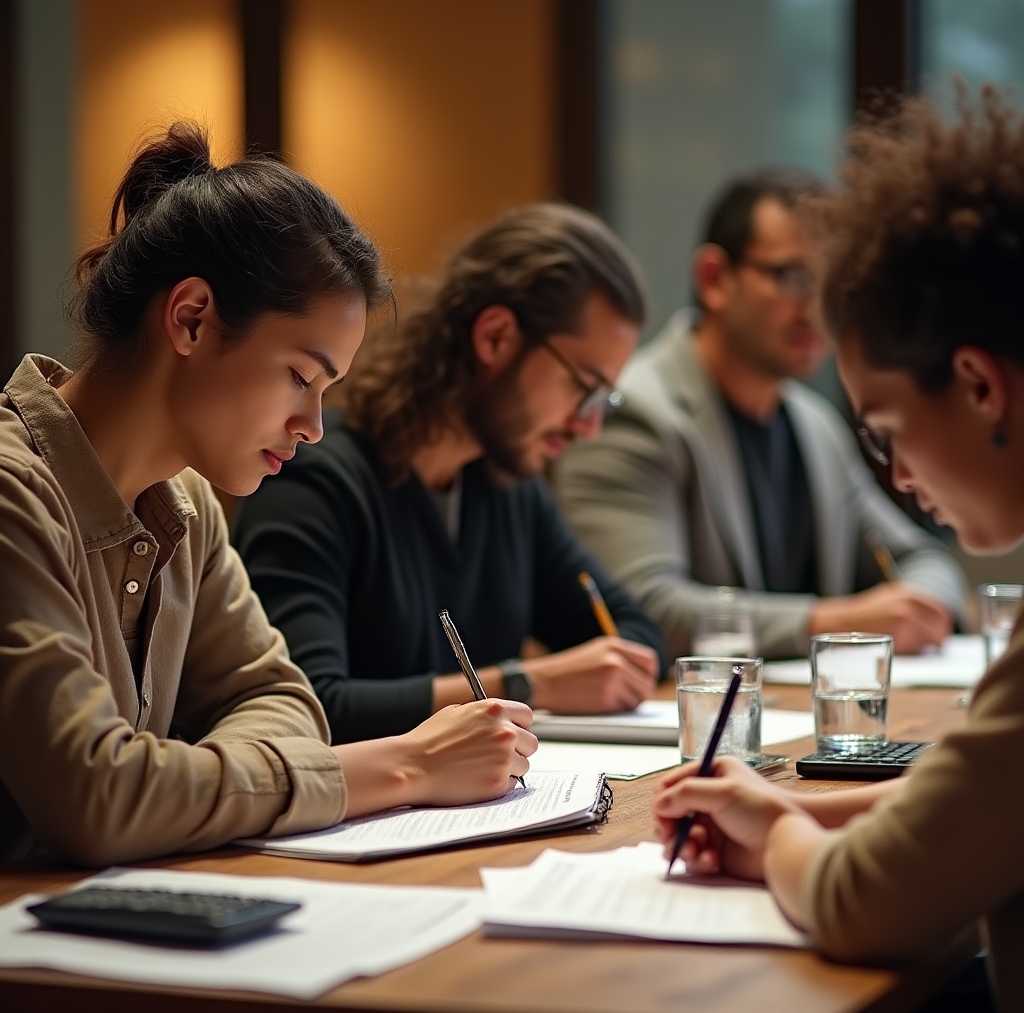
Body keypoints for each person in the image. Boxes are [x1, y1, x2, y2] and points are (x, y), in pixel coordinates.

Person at [0, 123, 535, 867]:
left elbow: (283, 701)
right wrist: (409, 767)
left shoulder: (184, 505)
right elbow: (100, 798)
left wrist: (187, 788)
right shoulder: (12, 494)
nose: (313, 425)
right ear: (190, 318)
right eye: (299, 376)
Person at [653, 90, 1024, 1012]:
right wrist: (793, 813)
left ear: (978, 384)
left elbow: (866, 904)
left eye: (892, 429)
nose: (898, 475)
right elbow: (971, 814)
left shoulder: (809, 424)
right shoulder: (657, 415)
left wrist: (776, 839)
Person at [232, 203, 666, 744]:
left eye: (605, 398)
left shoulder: (511, 490)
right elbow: (310, 704)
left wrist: (599, 668)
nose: (589, 426)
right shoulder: (314, 481)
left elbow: (637, 636)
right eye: (583, 387)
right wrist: (526, 682)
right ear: (496, 337)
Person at [555, 169, 967, 658]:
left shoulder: (815, 425)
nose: (816, 310)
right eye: (793, 278)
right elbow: (643, 608)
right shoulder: (632, 410)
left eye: (832, 286)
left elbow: (920, 557)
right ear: (714, 279)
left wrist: (918, 606)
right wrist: (835, 623)